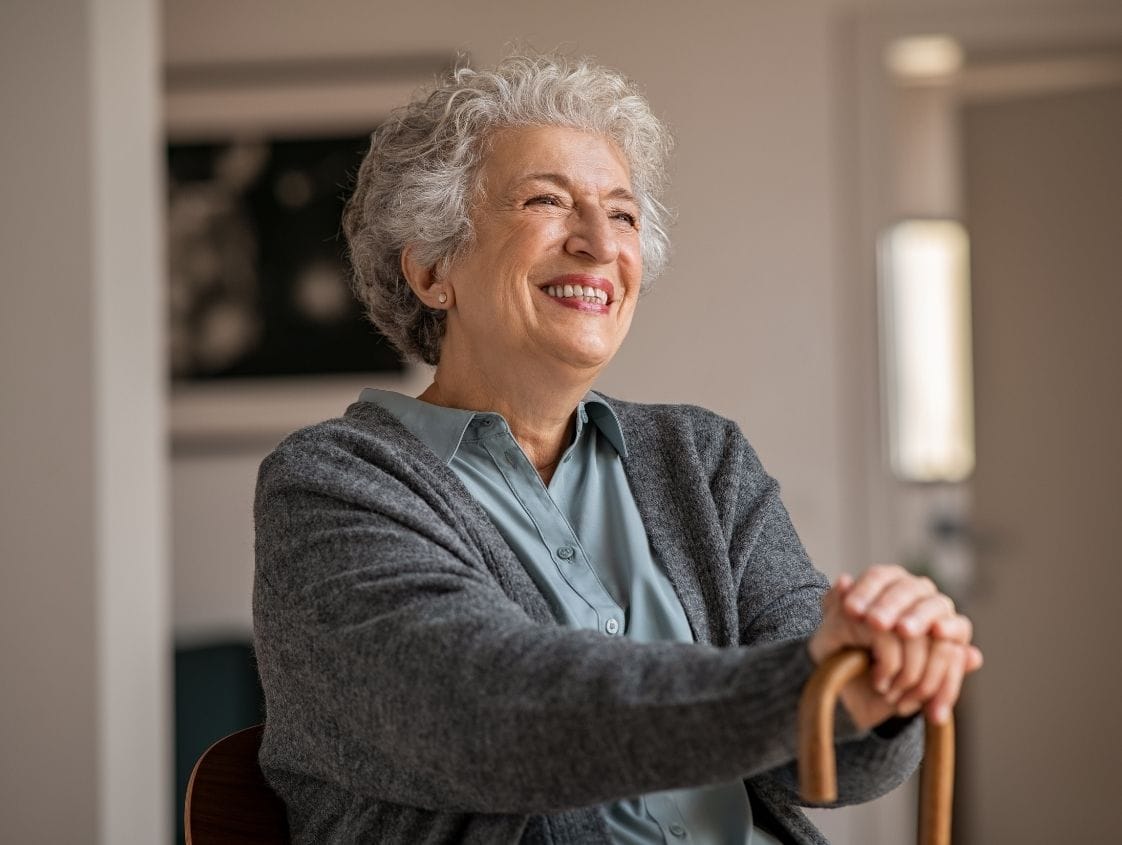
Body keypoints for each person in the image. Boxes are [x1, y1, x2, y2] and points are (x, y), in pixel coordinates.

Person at [253, 53, 982, 845]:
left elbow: (835, 765)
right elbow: (485, 713)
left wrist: (884, 669)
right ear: (432, 268)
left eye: (624, 214)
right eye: (546, 201)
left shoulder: (701, 458)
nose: (600, 244)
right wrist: (808, 682)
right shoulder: (331, 483)